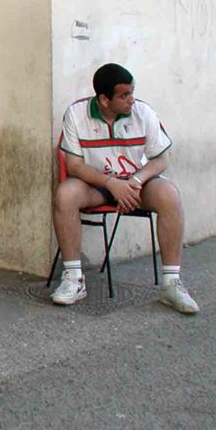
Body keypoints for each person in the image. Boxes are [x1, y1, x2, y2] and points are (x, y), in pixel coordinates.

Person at [52, 63, 199, 314]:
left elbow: (160, 159)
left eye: (132, 92)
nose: (132, 100)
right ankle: (74, 279)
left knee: (169, 194)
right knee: (65, 194)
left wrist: (135, 181)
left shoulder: (144, 113)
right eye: (124, 95)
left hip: (136, 185)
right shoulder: (76, 114)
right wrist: (112, 183)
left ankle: (171, 284)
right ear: (104, 99)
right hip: (97, 185)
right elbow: (74, 166)